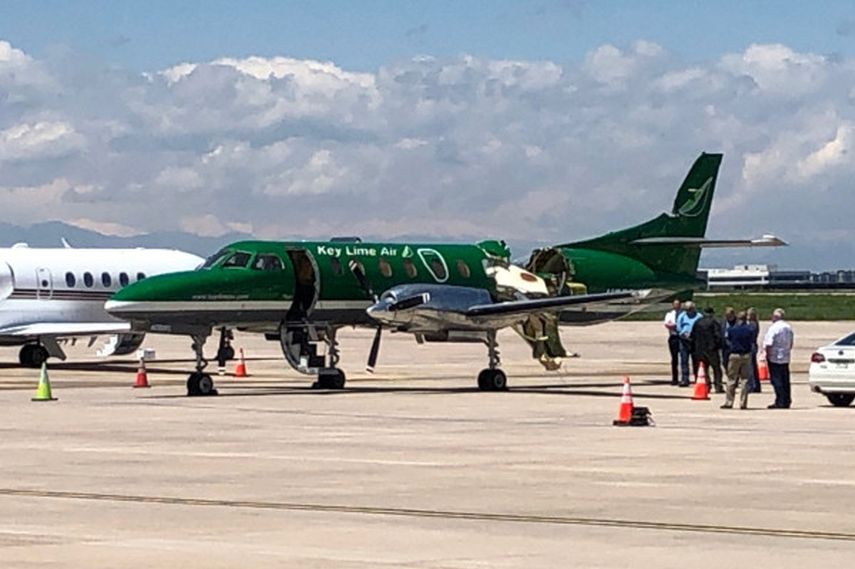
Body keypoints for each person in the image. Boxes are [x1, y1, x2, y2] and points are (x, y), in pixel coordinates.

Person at [721, 311, 754, 409]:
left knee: (731, 379)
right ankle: (743, 403)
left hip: (734, 355)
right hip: (746, 355)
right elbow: (752, 341)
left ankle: (729, 402)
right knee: (745, 380)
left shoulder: (732, 329)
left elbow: (728, 340)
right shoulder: (749, 330)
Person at [764, 308, 794, 409]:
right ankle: (787, 400)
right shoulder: (788, 327)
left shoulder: (774, 328)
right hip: (785, 356)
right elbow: (791, 343)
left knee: (776, 380)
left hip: (775, 357)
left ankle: (780, 400)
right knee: (785, 379)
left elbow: (769, 343)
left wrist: (767, 355)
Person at [691, 307, 724, 392]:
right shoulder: (714, 322)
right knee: (716, 368)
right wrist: (718, 346)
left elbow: (692, 336)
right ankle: (718, 386)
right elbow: (718, 335)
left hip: (700, 349)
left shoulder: (697, 322)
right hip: (712, 349)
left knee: (704, 369)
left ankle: (707, 385)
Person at [676, 301, 702, 387]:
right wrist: (683, 333)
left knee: (696, 360)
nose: (688, 311)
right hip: (684, 340)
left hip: (694, 339)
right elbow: (678, 327)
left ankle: (697, 377)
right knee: (684, 360)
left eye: (690, 309)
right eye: (687, 310)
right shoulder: (682, 316)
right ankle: (685, 379)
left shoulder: (699, 316)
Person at [663, 299, 682, 385]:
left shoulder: (683, 314)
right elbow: (668, 324)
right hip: (673, 337)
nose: (676, 306)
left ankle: (685, 377)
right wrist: (676, 326)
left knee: (684, 358)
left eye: (678, 304)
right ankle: (675, 378)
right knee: (674, 359)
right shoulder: (669, 314)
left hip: (682, 337)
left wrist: (675, 326)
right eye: (675, 304)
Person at [746, 307, 762, 393]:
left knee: (750, 367)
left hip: (751, 346)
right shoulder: (754, 324)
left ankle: (752, 385)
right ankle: (756, 385)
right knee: (753, 366)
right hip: (753, 345)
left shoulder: (752, 325)